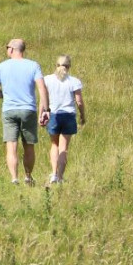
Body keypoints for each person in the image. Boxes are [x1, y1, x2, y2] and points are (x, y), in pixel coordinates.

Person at [0, 38, 50, 185]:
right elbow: (42, 89)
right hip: (28, 109)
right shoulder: (33, 65)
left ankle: (14, 178)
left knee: (11, 146)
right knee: (28, 145)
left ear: (11, 49)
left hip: (9, 110)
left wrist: (4, 96)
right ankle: (28, 177)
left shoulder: (2, 66)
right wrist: (46, 110)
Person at [44, 55, 86, 184]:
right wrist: (83, 115)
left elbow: (43, 99)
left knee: (54, 145)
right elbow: (79, 101)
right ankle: (61, 177)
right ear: (69, 67)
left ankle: (54, 174)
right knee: (63, 147)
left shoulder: (47, 80)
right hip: (68, 115)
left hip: (53, 114)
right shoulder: (74, 81)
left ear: (56, 65)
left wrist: (42, 113)